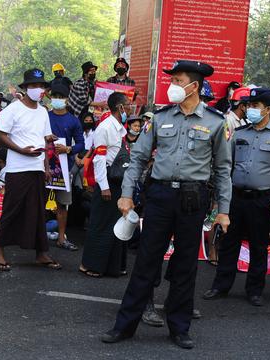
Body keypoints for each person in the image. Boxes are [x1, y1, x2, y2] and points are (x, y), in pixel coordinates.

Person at [102, 60, 232, 349]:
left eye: (178, 80)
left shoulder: (215, 121)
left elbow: (223, 170)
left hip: (193, 198)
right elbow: (137, 159)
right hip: (159, 196)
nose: (172, 85)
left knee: (186, 265)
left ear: (194, 86)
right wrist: (126, 194)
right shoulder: (159, 118)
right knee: (146, 261)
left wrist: (223, 211)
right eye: (171, 80)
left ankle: (179, 327)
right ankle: (124, 325)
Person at [204, 87, 270, 307]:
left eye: (255, 106)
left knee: (258, 245)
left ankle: (254, 290)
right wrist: (221, 196)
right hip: (235, 196)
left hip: (262, 199)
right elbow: (226, 165)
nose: (250, 110)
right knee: (228, 242)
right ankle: (220, 285)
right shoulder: (240, 133)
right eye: (249, 105)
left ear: (268, 110)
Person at [0, 68, 61, 272]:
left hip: (37, 167)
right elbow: (0, 136)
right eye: (34, 86)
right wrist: (20, 150)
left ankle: (41, 252)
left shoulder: (42, 111)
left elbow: (46, 140)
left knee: (38, 211)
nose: (38, 90)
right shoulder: (12, 110)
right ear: (25, 88)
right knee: (12, 209)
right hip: (17, 168)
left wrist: (46, 166)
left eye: (41, 86)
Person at [79, 92, 128, 277]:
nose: (130, 108)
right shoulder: (105, 127)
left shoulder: (119, 127)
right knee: (100, 223)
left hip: (119, 180)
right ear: (120, 107)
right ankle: (90, 264)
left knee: (117, 223)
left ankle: (113, 266)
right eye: (128, 105)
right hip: (107, 181)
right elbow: (99, 159)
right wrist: (104, 185)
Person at [48, 82, 84, 251]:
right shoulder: (44, 117)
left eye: (61, 97)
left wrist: (68, 149)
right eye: (54, 97)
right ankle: (35, 237)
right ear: (50, 98)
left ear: (67, 100)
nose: (57, 100)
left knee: (62, 204)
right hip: (45, 166)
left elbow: (81, 144)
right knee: (39, 201)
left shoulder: (73, 120)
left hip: (64, 167)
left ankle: (62, 238)